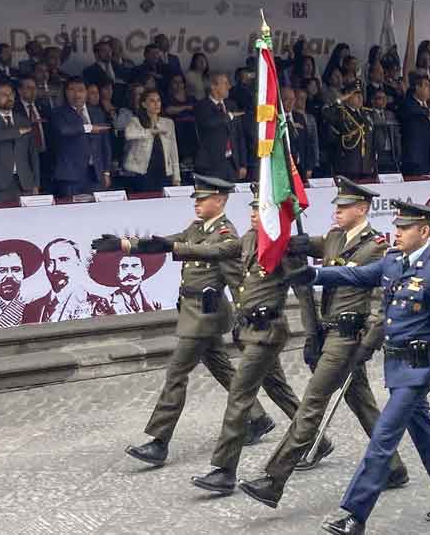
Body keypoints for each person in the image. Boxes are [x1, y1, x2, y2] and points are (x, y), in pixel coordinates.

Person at [284, 200, 430, 535]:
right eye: (396, 227)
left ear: (424, 231)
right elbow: (355, 274)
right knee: (424, 431)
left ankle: (355, 514)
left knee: (382, 439)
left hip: (418, 369)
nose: (396, 233)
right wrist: (314, 274)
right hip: (397, 366)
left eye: (404, 228)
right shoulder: (393, 262)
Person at [239, 178, 408, 509]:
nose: (337, 211)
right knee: (363, 404)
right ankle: (393, 467)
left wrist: (371, 338)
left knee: (311, 404)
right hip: (329, 332)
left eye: (344, 207)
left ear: (362, 210)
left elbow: (383, 299)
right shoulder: (333, 237)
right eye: (336, 206)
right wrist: (285, 232)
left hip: (349, 336)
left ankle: (274, 479)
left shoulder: (376, 247)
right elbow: (308, 245)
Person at [112, 175, 274, 467]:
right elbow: (170, 242)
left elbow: (235, 279)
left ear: (220, 201)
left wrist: (244, 316)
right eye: (196, 199)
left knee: (176, 373)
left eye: (203, 199)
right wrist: (127, 244)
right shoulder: (197, 227)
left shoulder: (226, 235)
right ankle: (258, 417)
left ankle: (159, 442)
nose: (197, 204)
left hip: (204, 314)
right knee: (222, 368)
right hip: (194, 311)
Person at [189, 188, 303, 495]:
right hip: (250, 330)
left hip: (267, 332)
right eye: (252, 208)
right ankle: (317, 442)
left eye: (260, 208)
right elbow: (215, 254)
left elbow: (304, 291)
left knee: (239, 396)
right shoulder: (249, 240)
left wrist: (314, 333)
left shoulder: (283, 246)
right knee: (278, 388)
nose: (253, 213)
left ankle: (225, 471)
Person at [22, 239, 112, 323]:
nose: (57, 268)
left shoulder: (96, 304)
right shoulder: (31, 308)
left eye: (64, 260)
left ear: (78, 262)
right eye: (50, 262)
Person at [0, 81, 39, 203]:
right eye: (3, 94)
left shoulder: (24, 120)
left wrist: (36, 182)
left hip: (24, 183)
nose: (9, 97)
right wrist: (18, 132)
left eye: (11, 94)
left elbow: (32, 153)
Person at [50, 78, 112, 197]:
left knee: (97, 211)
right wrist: (88, 128)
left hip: (96, 173)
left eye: (80, 90)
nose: (77, 94)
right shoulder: (57, 113)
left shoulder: (97, 112)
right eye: (72, 90)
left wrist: (106, 171)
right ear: (66, 92)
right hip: (70, 176)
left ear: (86, 93)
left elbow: (105, 145)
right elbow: (64, 130)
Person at [194, 73, 247, 181]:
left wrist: (243, 164)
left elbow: (239, 136)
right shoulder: (202, 106)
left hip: (232, 164)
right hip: (211, 165)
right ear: (214, 86)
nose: (229, 86)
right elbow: (209, 123)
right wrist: (229, 116)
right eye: (225, 83)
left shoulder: (232, 105)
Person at [124, 89, 180, 192]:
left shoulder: (168, 123)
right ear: (144, 104)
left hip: (164, 171)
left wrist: (177, 177)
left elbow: (173, 151)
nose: (156, 104)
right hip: (143, 172)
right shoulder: (136, 121)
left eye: (158, 100)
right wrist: (150, 132)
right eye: (152, 101)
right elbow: (129, 134)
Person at [323, 80, 376, 180]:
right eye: (355, 94)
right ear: (348, 96)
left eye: (361, 94)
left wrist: (373, 163)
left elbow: (371, 141)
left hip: (366, 166)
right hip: (348, 166)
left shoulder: (367, 113)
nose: (360, 97)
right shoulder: (341, 113)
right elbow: (326, 113)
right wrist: (340, 100)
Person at [88, 251, 165, 314]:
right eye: (124, 267)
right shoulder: (106, 304)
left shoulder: (155, 302)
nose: (130, 272)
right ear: (117, 272)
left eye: (135, 266)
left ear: (143, 270)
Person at [397, 74, 430, 175]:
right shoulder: (407, 104)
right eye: (426, 86)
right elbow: (410, 110)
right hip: (415, 160)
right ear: (417, 88)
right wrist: (426, 112)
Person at [291, 85, 322, 179]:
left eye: (305, 98)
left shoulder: (310, 118)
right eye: (300, 98)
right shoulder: (288, 116)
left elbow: (313, 141)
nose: (303, 101)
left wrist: (315, 161)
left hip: (307, 159)